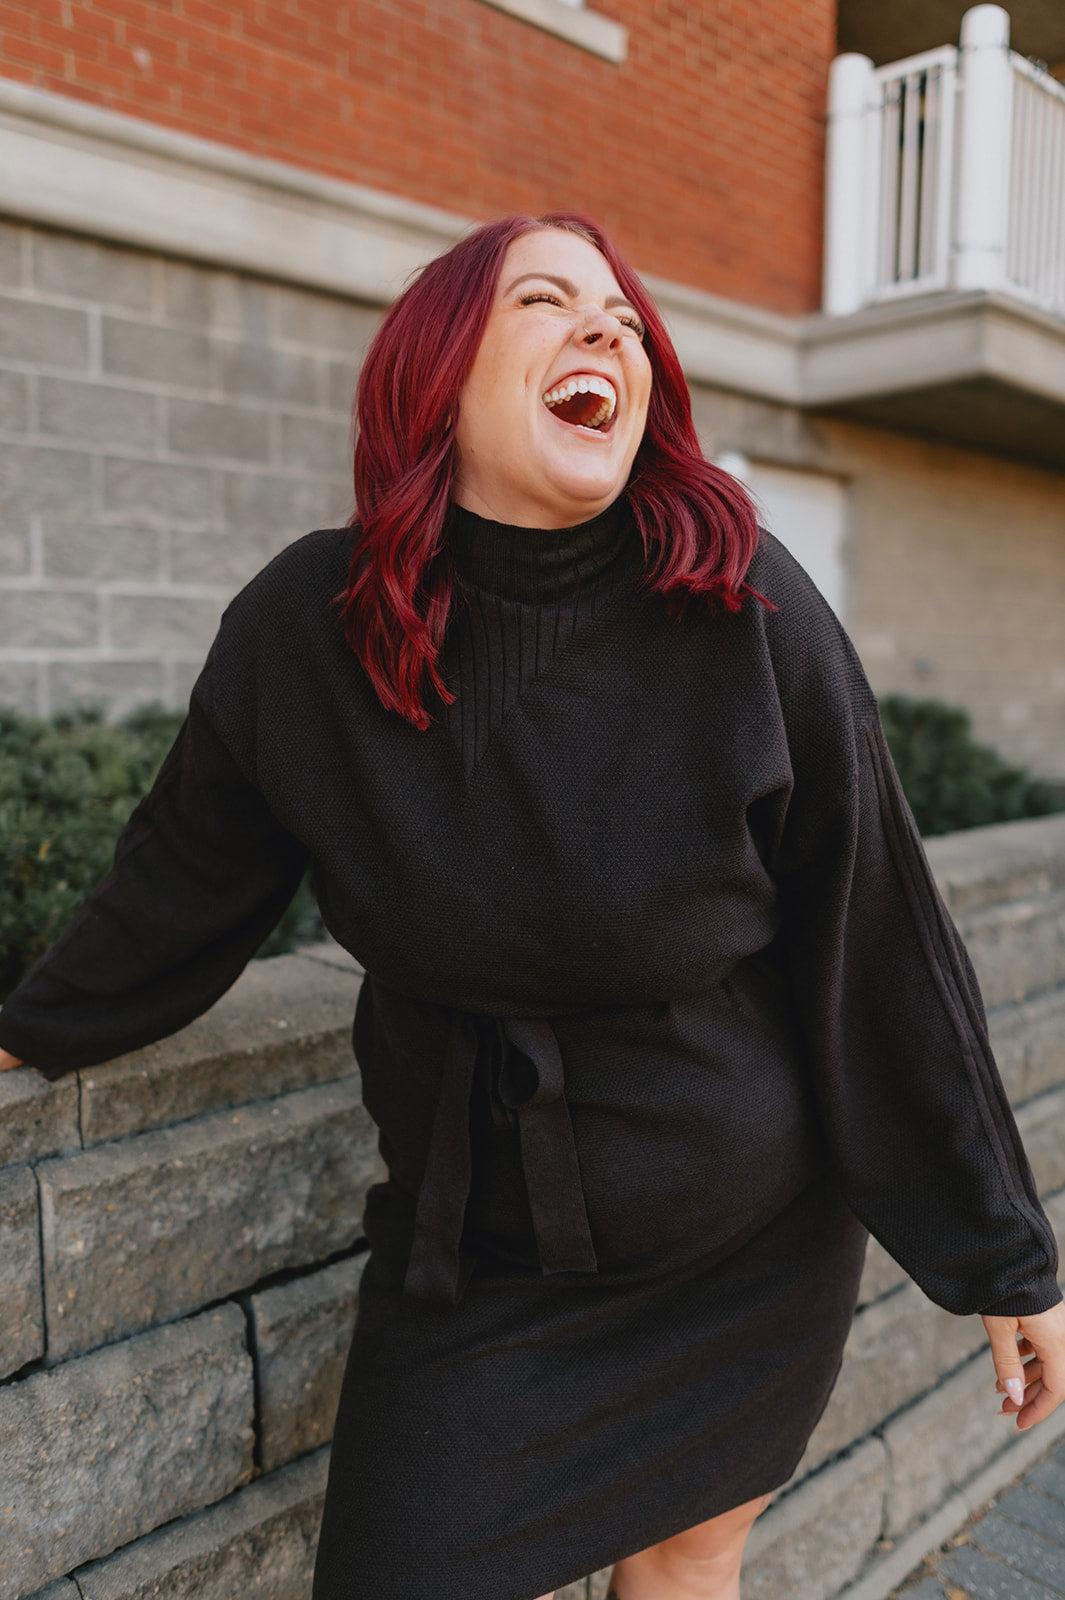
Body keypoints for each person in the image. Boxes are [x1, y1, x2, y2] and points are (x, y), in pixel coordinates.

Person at [1, 212, 1063, 1600]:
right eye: (547, 302)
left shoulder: (743, 604)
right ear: (438, 368)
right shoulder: (307, 628)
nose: (603, 329)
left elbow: (881, 939)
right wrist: (29, 1029)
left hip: (743, 1242)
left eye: (622, 319)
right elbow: (182, 878)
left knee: (687, 1559)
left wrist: (1002, 1253)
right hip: (474, 1264)